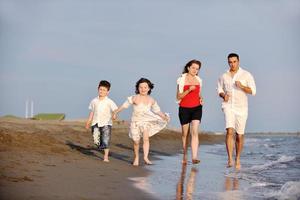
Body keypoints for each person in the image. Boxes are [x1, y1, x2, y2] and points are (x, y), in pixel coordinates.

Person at [113, 78, 169, 166]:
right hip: (135, 122)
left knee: (146, 138)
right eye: (141, 87)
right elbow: (124, 106)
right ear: (138, 88)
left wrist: (164, 116)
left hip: (146, 121)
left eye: (145, 87)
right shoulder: (134, 98)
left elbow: (157, 111)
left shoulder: (151, 100)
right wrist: (115, 112)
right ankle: (136, 157)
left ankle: (146, 157)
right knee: (136, 141)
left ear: (149, 88)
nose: (143, 89)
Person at [217, 53, 256, 170]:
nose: (232, 64)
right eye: (230, 62)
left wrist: (242, 86)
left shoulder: (246, 75)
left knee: (239, 135)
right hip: (228, 106)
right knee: (229, 130)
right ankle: (230, 159)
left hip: (242, 107)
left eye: (234, 61)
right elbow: (219, 88)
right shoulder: (223, 76)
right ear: (228, 62)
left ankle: (238, 158)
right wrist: (223, 95)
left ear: (238, 61)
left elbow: (253, 91)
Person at [176, 59, 203, 165]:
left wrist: (201, 98)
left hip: (197, 107)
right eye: (193, 68)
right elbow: (178, 96)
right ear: (188, 67)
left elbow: (199, 93)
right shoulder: (181, 80)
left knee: (195, 131)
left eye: (197, 69)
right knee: (185, 134)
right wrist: (188, 90)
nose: (195, 70)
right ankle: (185, 155)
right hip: (184, 108)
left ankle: (194, 157)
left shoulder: (199, 80)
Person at [85, 80, 118, 162]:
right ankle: (100, 146)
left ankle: (106, 157)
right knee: (96, 140)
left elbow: (115, 110)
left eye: (104, 90)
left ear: (108, 91)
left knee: (105, 139)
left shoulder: (109, 101)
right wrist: (88, 122)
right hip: (95, 122)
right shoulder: (94, 101)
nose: (102, 91)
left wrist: (114, 115)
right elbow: (92, 112)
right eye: (100, 89)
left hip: (106, 123)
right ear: (98, 89)